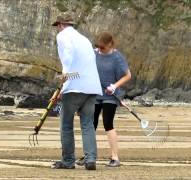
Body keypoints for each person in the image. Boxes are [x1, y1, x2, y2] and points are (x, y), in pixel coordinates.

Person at [51, 12, 102, 170]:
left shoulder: (63, 36)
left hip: (74, 85)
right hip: (91, 85)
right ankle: (90, 159)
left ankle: (68, 161)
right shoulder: (84, 39)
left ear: (61, 25)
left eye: (57, 27)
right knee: (87, 124)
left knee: (66, 124)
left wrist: (64, 80)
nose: (57, 30)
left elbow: (68, 56)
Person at [76, 32, 131, 167]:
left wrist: (114, 86)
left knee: (108, 123)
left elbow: (128, 75)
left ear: (110, 44)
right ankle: (89, 155)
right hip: (95, 94)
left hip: (111, 96)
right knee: (90, 124)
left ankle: (115, 157)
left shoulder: (117, 57)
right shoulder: (94, 54)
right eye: (99, 47)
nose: (100, 49)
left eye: (103, 47)